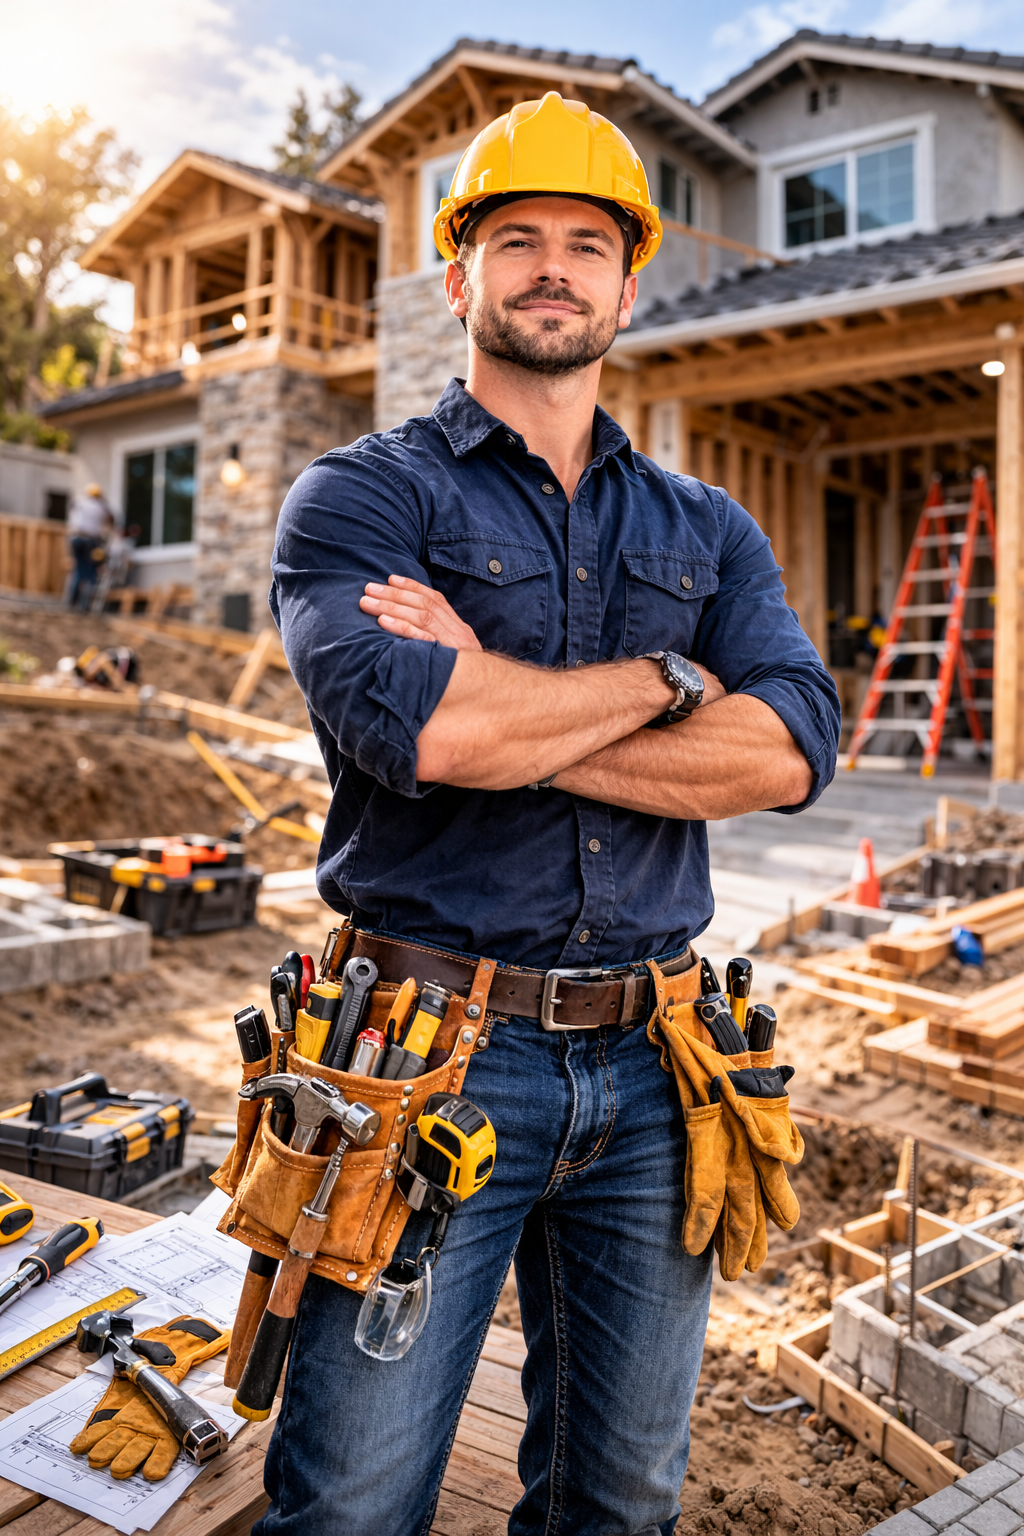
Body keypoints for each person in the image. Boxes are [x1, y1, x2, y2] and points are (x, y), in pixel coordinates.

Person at [261, 93, 840, 1536]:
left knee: (623, 1501)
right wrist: (665, 682)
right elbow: (424, 730)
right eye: (515, 238)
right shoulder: (361, 497)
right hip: (421, 1060)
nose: (552, 269)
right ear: (458, 275)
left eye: (588, 244)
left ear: (628, 289)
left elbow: (787, 750)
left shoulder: (709, 528)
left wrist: (506, 702)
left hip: (657, 1066)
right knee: (352, 1505)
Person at [66, 482, 113, 610]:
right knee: (91, 571)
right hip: (90, 541)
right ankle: (84, 604)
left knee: (78, 568)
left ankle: (71, 601)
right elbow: (111, 520)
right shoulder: (102, 506)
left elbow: (71, 512)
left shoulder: (79, 502)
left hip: (75, 538)